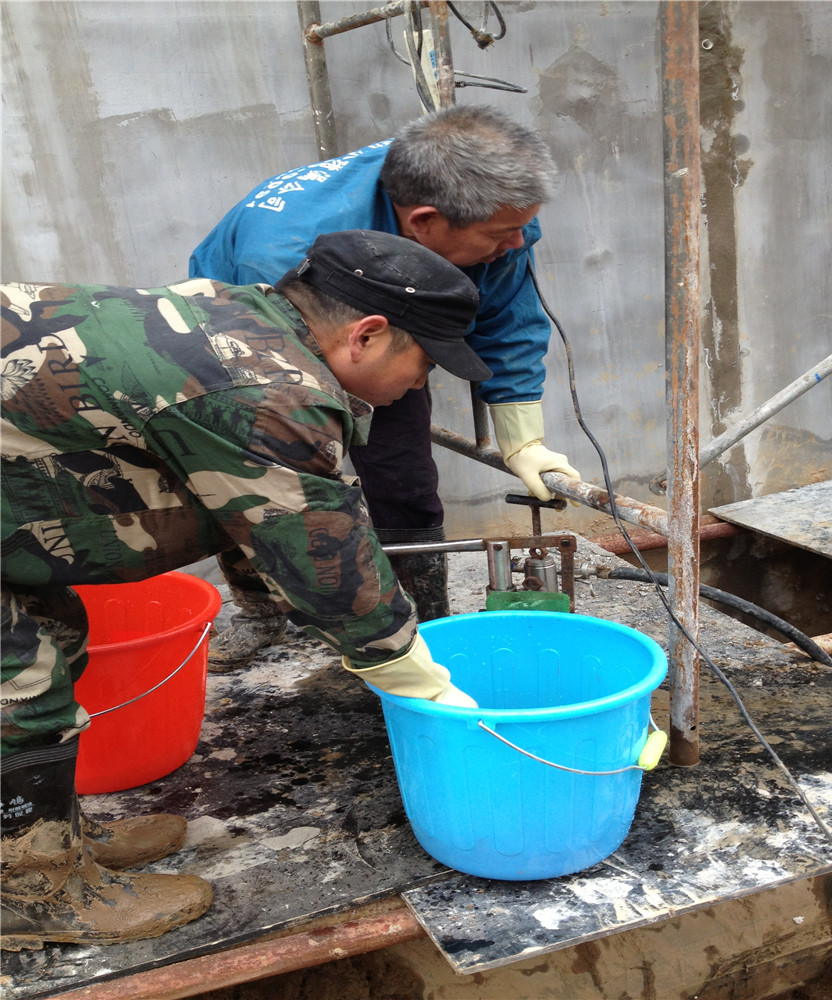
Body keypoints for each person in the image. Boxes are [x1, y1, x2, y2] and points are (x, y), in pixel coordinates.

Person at [0, 229, 487, 951]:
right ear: (368, 334)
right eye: (424, 364)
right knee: (20, 676)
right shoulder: (268, 389)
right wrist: (420, 680)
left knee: (51, 634)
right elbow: (325, 554)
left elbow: (247, 507)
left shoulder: (236, 317)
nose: (422, 385)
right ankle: (32, 895)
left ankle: (44, 839)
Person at [189, 104, 581, 668]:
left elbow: (507, 318)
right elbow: (292, 361)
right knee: (252, 480)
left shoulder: (491, 215)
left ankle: (425, 625)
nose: (518, 242)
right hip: (249, 332)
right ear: (423, 222)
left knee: (403, 474)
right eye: (502, 233)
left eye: (523, 226)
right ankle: (262, 609)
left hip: (373, 315)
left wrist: (523, 440)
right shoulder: (287, 246)